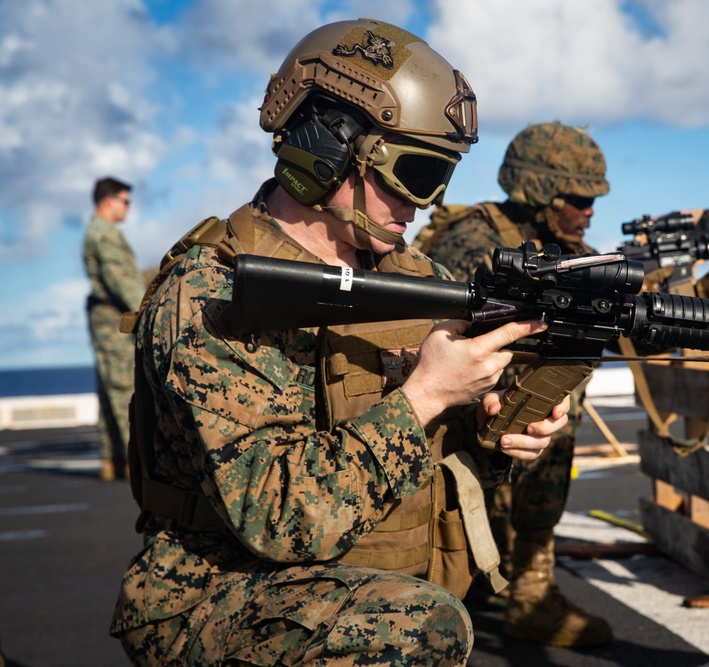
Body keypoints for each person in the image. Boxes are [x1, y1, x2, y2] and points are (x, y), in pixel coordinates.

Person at [109, 19, 568, 666]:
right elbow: (277, 513)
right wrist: (426, 394)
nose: (428, 203)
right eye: (415, 172)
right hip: (212, 593)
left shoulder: (413, 279)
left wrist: (494, 426)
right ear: (330, 149)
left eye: (443, 176)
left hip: (355, 575)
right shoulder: (213, 294)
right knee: (420, 627)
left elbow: (435, 444)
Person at [418, 121, 709, 648]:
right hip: (461, 422)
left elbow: (626, 326)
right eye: (579, 198)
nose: (590, 209)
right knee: (556, 404)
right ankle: (528, 591)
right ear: (540, 193)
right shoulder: (477, 246)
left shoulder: (556, 249)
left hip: (492, 426)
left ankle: (502, 576)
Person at [83, 176, 145, 481]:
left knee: (110, 391)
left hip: (106, 319)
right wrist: (147, 311)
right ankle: (135, 463)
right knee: (124, 390)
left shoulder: (99, 232)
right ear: (109, 201)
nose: (128, 208)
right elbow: (121, 280)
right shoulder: (105, 234)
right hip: (114, 320)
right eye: (125, 201)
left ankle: (114, 462)